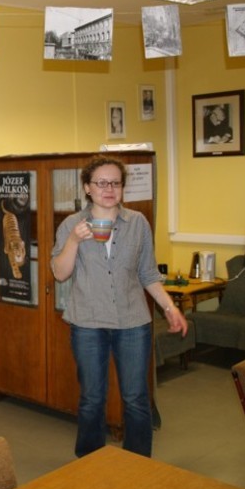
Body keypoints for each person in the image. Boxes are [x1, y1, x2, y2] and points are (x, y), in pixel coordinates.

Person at [50, 156, 187, 458]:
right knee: (92, 398)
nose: (109, 189)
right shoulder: (72, 225)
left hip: (133, 322)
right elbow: (60, 273)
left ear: (123, 187)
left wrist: (169, 308)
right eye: (101, 183)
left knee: (136, 398)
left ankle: (137, 464)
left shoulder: (137, 223)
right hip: (88, 323)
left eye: (115, 182)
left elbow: (148, 274)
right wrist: (73, 241)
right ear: (88, 187)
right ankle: (90, 462)